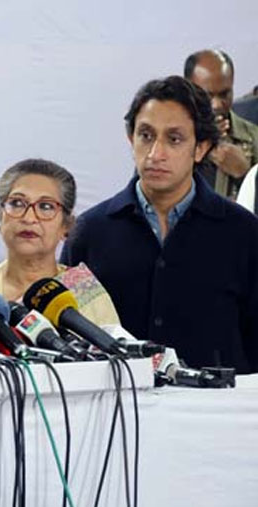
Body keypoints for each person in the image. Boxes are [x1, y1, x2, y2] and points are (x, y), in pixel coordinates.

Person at [61, 76, 258, 373]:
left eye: (174, 139)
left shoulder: (244, 232)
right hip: (119, 408)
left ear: (201, 148)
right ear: (131, 139)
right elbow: (69, 332)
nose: (156, 154)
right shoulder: (90, 232)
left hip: (218, 409)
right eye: (146, 136)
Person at [0, 159, 120, 325]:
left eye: (46, 207)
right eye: (17, 203)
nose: (29, 218)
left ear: (66, 226)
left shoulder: (85, 295)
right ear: (1, 217)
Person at [184, 49, 258, 200]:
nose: (217, 105)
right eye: (207, 95)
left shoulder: (253, 138)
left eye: (224, 94)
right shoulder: (167, 136)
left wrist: (245, 174)